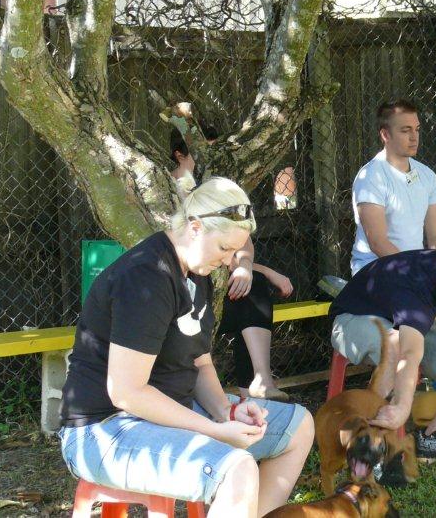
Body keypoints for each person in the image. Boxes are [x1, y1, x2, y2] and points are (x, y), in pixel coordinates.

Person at [58, 178, 314, 517]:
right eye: (224, 248)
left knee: (298, 426)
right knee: (236, 469)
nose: (229, 261)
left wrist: (226, 412)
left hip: (171, 411)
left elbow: (200, 362)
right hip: (105, 428)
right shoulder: (146, 276)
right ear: (195, 228)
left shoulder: (196, 273)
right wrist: (215, 431)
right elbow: (127, 392)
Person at [330, 231, 436, 461]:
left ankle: (433, 433)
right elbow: (409, 354)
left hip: (401, 318)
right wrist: (402, 407)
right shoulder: (417, 290)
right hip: (353, 317)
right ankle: (365, 442)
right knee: (394, 349)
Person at [345, 99, 436, 327]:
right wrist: (420, 276)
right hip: (379, 272)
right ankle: (419, 336)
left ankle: (435, 337)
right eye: (405, 130)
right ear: (385, 135)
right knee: (417, 310)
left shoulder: (427, 175)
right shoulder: (371, 176)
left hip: (418, 272)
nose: (414, 137)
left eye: (417, 129)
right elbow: (377, 242)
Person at [170, 130, 294, 401]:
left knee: (249, 285)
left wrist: (246, 265)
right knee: (248, 289)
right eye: (203, 152)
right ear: (180, 155)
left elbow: (239, 244)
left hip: (219, 286)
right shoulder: (167, 194)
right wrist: (267, 271)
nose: (211, 160)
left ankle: (261, 382)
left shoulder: (216, 190)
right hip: (183, 294)